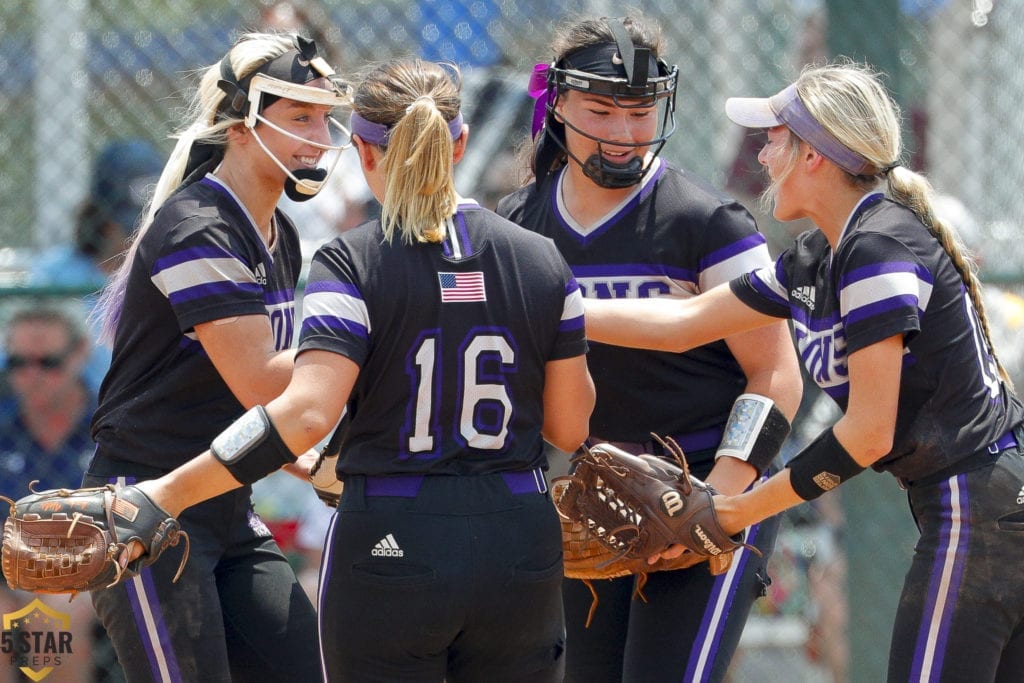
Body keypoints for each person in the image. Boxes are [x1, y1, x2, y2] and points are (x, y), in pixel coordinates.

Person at [113, 57, 595, 682]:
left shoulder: (353, 259)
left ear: (364, 153)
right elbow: (570, 426)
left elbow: (307, 410)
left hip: (392, 534)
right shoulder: (540, 258)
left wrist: (164, 493)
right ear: (462, 143)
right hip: (518, 537)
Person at [583, 60, 1024, 681]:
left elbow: (869, 432)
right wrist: (557, 306)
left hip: (979, 502)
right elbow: (686, 322)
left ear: (813, 155)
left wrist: (741, 508)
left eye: (774, 139)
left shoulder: (877, 248)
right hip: (978, 500)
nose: (762, 157)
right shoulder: (820, 255)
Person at [495, 14, 803, 682]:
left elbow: (776, 373)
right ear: (558, 106)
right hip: (594, 502)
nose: (624, 132)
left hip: (709, 485)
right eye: (601, 109)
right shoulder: (518, 224)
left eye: (639, 112)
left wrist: (716, 499)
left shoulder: (704, 220)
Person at [82, 31, 349, 682]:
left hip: (226, 502)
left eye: (324, 117)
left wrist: (309, 460)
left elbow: (249, 398)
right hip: (146, 503)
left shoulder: (275, 229)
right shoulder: (197, 223)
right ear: (239, 126)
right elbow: (260, 377)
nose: (319, 136)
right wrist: (378, 333)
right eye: (298, 117)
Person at [0, 307, 102, 683]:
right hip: (9, 569)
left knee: (56, 613)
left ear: (79, 355)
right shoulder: (3, 425)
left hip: (91, 573)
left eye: (49, 363)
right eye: (19, 362)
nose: (32, 376)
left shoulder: (109, 427)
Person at [27, 139, 165, 395]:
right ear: (101, 216)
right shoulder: (54, 275)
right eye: (128, 225)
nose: (138, 237)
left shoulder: (168, 273)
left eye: (147, 224)